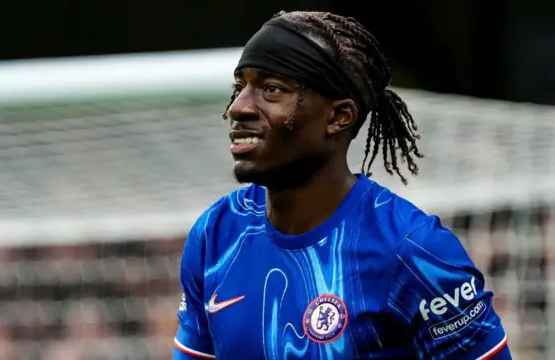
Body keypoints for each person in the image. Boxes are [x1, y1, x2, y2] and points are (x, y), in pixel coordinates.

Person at [172, 10, 511, 360]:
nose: (238, 107)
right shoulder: (217, 234)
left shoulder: (412, 251)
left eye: (271, 89)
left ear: (338, 117)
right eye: (239, 86)